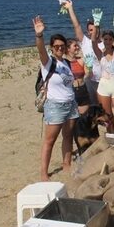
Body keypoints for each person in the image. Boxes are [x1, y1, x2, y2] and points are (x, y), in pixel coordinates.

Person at [32, 16, 78, 181]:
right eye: (56, 46)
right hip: (55, 106)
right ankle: (44, 173)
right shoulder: (48, 62)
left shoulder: (66, 62)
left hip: (70, 104)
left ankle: (67, 165)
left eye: (62, 46)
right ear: (52, 48)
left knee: (68, 136)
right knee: (50, 141)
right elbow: (40, 50)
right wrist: (39, 36)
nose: (59, 48)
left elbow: (69, 83)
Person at [63, 0, 104, 105]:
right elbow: (77, 25)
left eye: (95, 29)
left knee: (104, 107)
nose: (93, 32)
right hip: (89, 81)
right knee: (91, 107)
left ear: (99, 29)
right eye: (90, 30)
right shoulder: (85, 42)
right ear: (87, 32)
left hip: (103, 80)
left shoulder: (105, 44)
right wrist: (70, 9)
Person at [91, 23, 114, 134]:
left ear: (113, 40)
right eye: (105, 39)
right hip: (103, 88)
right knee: (108, 119)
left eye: (110, 39)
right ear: (103, 40)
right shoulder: (100, 54)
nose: (108, 41)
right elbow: (93, 42)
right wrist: (96, 26)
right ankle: (112, 140)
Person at [65, 38, 90, 115]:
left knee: (83, 116)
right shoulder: (63, 62)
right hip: (69, 91)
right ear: (68, 49)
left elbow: (87, 74)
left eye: (78, 45)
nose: (77, 47)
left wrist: (90, 68)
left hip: (82, 90)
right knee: (71, 118)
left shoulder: (81, 60)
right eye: (75, 46)